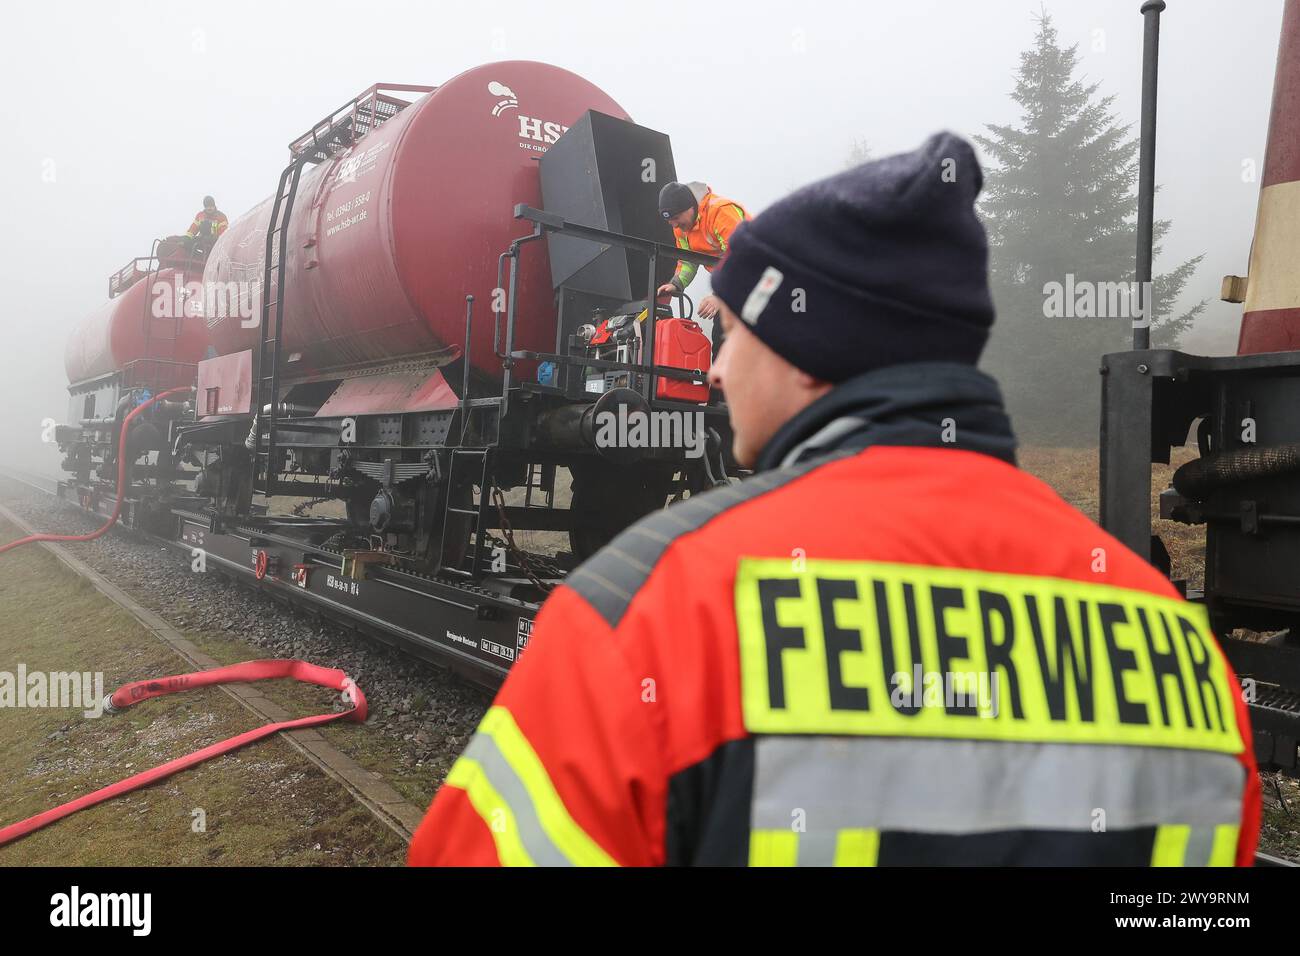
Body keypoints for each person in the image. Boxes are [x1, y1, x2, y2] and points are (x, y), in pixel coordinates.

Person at [408, 132, 1260, 867]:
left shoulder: (648, 608)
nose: (711, 368)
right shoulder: (1175, 644)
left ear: (802, 349)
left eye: (732, 334)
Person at [655, 180, 748, 324]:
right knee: (722, 340)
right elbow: (688, 260)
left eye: (676, 218)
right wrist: (676, 283)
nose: (674, 225)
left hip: (761, 278)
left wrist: (720, 296)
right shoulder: (681, 229)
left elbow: (742, 259)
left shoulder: (720, 212)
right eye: (669, 221)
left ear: (690, 207)